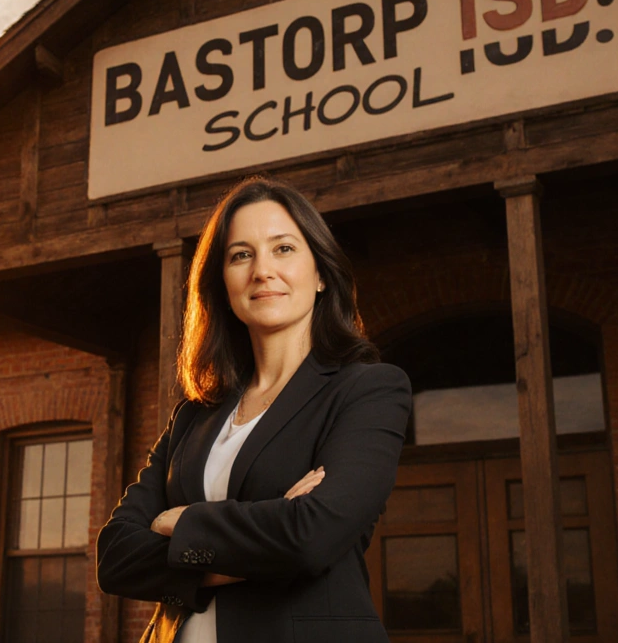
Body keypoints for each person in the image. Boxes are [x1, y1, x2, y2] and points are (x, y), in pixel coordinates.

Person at [96, 177, 411, 643]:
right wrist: (269, 528)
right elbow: (116, 558)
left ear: (321, 273)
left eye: (283, 249)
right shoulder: (193, 417)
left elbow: (311, 537)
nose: (262, 270)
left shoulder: (369, 390)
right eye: (241, 255)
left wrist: (180, 521)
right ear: (223, 283)